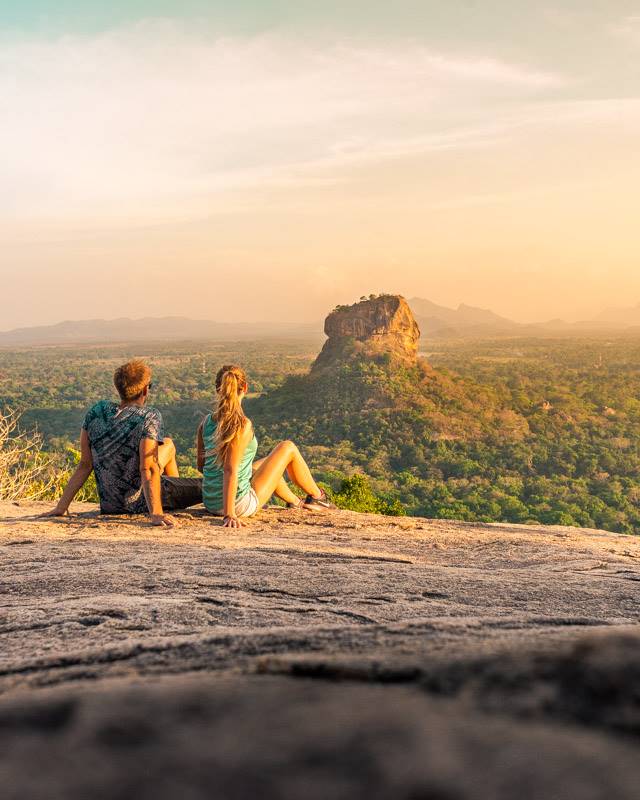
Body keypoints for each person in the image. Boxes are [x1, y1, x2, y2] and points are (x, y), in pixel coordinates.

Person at [41, 359, 202, 526]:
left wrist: (61, 507)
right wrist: (156, 514)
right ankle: (168, 498)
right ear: (145, 390)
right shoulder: (149, 417)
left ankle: (172, 486)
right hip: (140, 502)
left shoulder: (97, 411)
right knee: (211, 489)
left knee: (167, 443)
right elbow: (148, 467)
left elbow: (85, 464)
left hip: (110, 504)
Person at [197, 364, 335, 528]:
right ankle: (318, 497)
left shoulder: (206, 423)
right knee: (287, 447)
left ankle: (296, 503)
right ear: (245, 388)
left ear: (218, 389)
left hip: (210, 501)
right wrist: (229, 514)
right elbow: (230, 470)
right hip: (237, 505)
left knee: (266, 464)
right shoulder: (242, 424)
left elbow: (202, 466)